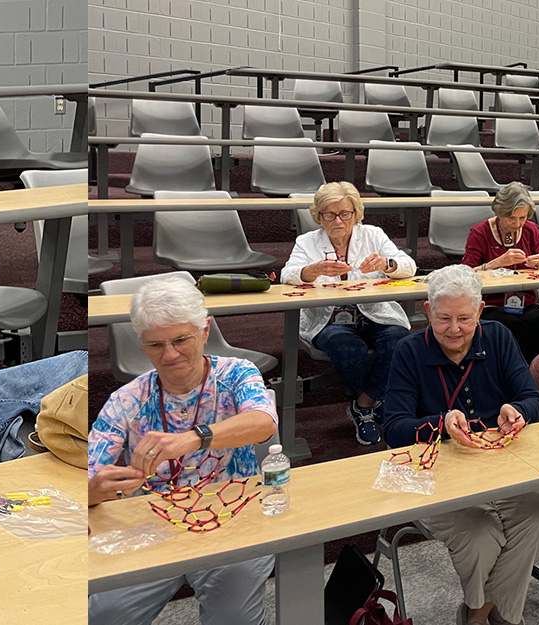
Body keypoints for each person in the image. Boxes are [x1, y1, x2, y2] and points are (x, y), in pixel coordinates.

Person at [86, 276, 279, 625]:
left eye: (180, 340)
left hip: (232, 515)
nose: (170, 354)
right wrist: (93, 490)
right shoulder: (127, 399)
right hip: (151, 524)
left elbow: (263, 421)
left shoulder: (236, 374)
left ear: (205, 331)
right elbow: (87, 474)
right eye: (156, 345)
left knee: (234, 620)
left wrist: (194, 437)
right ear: (141, 346)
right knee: (103, 615)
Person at [379, 265, 539, 625]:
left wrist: (517, 410)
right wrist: (439, 424)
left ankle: (477, 615)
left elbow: (533, 400)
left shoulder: (499, 336)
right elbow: (394, 429)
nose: (454, 329)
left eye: (464, 319)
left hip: (500, 469)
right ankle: (500, 617)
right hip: (439, 476)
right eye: (443, 319)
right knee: (478, 533)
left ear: (479, 313)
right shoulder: (409, 351)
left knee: (537, 517)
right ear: (427, 312)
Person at [281, 181, 418, 445]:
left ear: (356, 213)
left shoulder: (373, 235)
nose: (338, 220)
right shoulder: (307, 242)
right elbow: (288, 274)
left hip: (375, 311)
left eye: (345, 213)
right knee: (346, 347)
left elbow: (408, 266)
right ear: (318, 216)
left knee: (398, 340)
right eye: (329, 214)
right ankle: (374, 402)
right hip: (329, 317)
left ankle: (363, 404)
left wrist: (386, 264)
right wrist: (312, 271)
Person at [462, 182, 539, 363]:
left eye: (522, 218)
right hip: (491, 302)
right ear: (499, 213)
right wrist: (497, 263)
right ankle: (520, 370)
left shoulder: (531, 230)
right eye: (511, 218)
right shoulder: (479, 232)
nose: (517, 224)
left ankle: (522, 368)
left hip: (525, 300)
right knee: (511, 327)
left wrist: (538, 264)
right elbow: (465, 274)